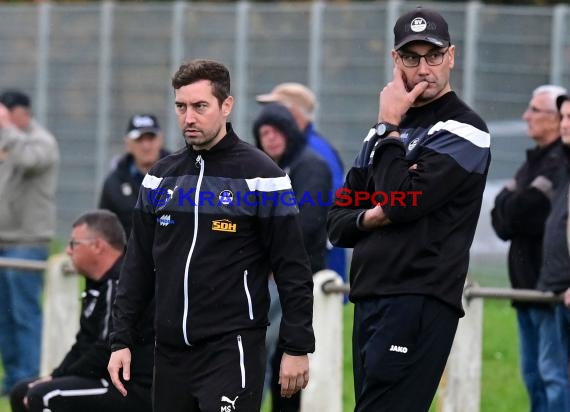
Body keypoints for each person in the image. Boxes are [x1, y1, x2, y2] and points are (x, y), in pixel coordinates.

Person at [108, 59, 315, 412]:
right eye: (181, 107)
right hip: (170, 352)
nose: (189, 117)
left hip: (231, 349)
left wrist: (296, 347)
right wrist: (120, 339)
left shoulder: (262, 176)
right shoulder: (160, 177)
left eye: (200, 106)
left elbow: (293, 268)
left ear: (226, 106)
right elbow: (137, 265)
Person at [327, 7, 490, 411]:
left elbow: (400, 201)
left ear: (451, 56)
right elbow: (338, 221)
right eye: (411, 57)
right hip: (370, 295)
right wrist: (371, 214)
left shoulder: (464, 129)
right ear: (395, 61)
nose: (424, 68)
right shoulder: (382, 132)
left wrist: (388, 131)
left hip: (419, 295)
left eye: (433, 56)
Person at [10, 210, 153, 412]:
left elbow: (103, 352)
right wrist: (55, 376)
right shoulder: (98, 283)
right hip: (101, 377)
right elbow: (84, 342)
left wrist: (57, 380)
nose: (68, 251)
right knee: (21, 391)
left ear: (97, 246)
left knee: (44, 396)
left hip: (127, 387)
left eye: (74, 244)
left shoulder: (121, 283)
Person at [491, 85, 570, 412]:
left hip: (553, 289)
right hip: (530, 286)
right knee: (535, 376)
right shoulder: (535, 164)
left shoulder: (557, 164)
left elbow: (526, 211)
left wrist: (512, 205)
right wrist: (511, 206)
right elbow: (501, 216)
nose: (526, 117)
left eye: (535, 111)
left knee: (554, 376)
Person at [253, 102, 331, 412]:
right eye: (264, 133)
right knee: (270, 358)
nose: (270, 138)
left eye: (276, 131)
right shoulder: (268, 170)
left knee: (277, 358)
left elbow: (306, 225)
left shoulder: (310, 167)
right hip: (269, 276)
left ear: (290, 133)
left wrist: (267, 259)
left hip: (291, 280)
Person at [256, 83, 347, 283]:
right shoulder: (292, 152)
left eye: (275, 108)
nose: (268, 113)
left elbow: (313, 215)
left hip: (315, 256)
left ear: (292, 112)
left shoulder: (313, 152)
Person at [0, 90, 59, 394]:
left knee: (24, 316)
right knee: (4, 320)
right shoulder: (7, 140)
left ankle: (28, 381)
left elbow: (28, 161)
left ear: (21, 113)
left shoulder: (41, 141)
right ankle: (12, 381)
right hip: (2, 242)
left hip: (27, 242)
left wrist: (8, 129)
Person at [538, 93, 570, 410]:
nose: (564, 125)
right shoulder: (561, 164)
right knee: (552, 378)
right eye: (562, 117)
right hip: (555, 288)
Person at [99, 113, 169, 237]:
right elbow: (104, 230)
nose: (146, 146)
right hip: (129, 255)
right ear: (127, 143)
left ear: (160, 141)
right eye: (139, 139)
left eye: (150, 138)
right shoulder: (114, 184)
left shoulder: (181, 176)